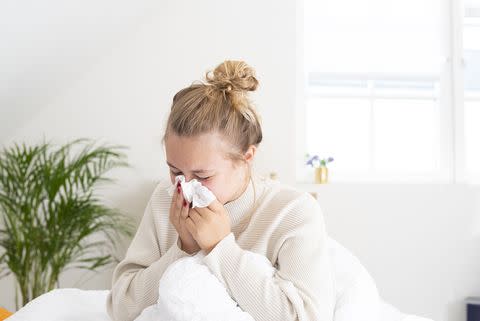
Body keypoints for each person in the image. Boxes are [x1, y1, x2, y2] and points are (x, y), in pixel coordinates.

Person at [106, 60, 335, 321]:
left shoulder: (293, 211)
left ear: (247, 157)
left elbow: (305, 317)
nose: (185, 187)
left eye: (202, 175)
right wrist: (183, 249)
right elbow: (121, 308)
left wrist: (219, 248)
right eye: (175, 171)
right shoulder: (165, 198)